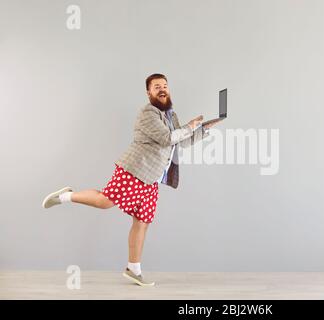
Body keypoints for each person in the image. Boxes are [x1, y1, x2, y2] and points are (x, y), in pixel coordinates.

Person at [41, 73, 221, 286]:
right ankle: (66, 196)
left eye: (165, 85)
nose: (162, 89)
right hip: (135, 170)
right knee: (105, 201)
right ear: (149, 93)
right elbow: (167, 138)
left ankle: (133, 269)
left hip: (151, 178)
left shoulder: (170, 116)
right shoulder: (148, 113)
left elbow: (178, 144)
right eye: (156, 87)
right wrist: (190, 126)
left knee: (142, 221)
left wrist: (203, 130)